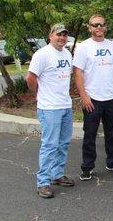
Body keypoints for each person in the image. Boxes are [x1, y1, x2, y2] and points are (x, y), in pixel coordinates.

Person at [73, 14, 113, 181]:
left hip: (112, 96)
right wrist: (84, 96)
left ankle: (112, 162)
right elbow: (78, 72)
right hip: (92, 99)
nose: (99, 28)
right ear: (89, 27)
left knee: (112, 133)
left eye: (102, 25)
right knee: (90, 134)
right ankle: (87, 167)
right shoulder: (83, 47)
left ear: (106, 27)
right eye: (95, 25)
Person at [26, 23, 75, 199]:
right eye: (58, 35)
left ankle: (57, 174)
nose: (62, 38)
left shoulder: (67, 54)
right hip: (49, 108)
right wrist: (37, 94)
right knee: (49, 145)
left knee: (63, 143)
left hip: (65, 106)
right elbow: (30, 78)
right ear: (50, 36)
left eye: (64, 35)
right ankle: (43, 182)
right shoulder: (42, 55)